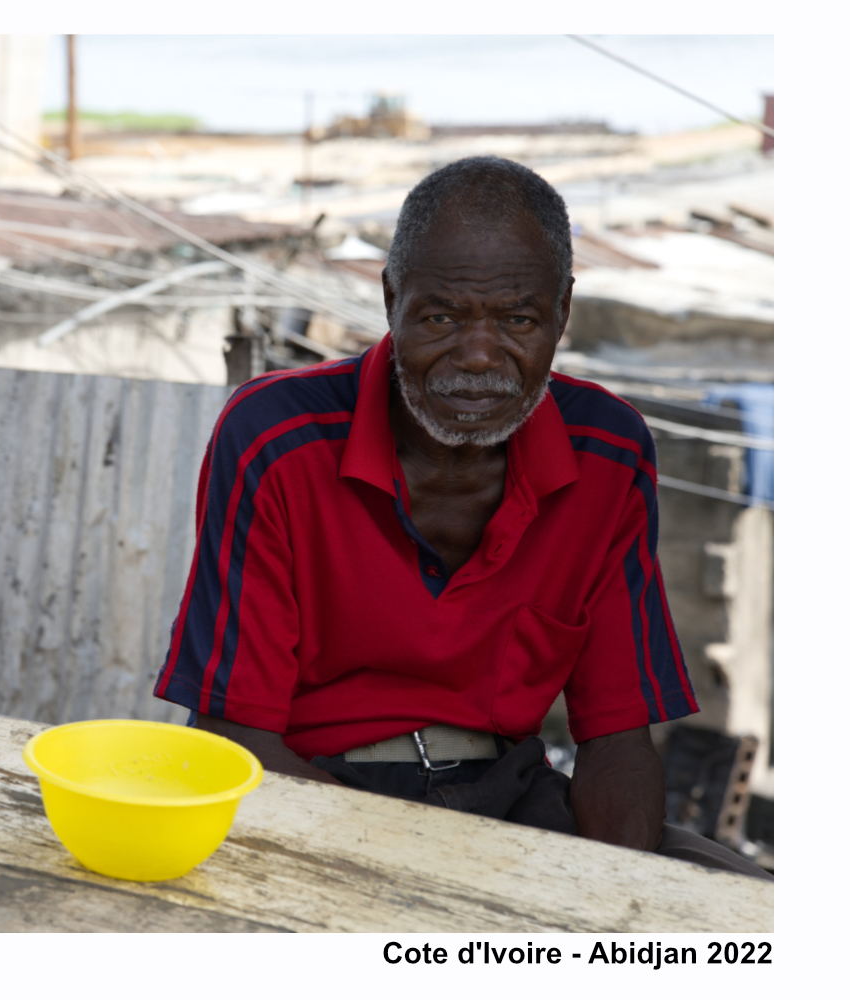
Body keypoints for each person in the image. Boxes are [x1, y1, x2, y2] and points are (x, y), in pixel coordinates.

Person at [154, 155, 768, 879]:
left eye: (518, 319)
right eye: (442, 316)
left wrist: (619, 900)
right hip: (308, 789)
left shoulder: (608, 451)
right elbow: (234, 732)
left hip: (508, 798)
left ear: (562, 313)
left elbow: (616, 739)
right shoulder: (276, 436)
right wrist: (415, 875)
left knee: (751, 909)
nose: (479, 357)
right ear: (391, 300)